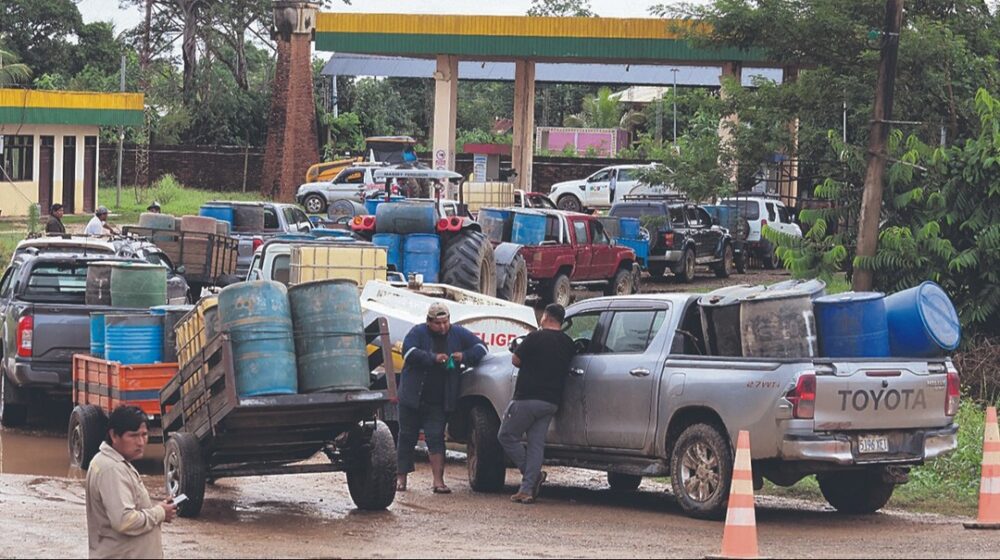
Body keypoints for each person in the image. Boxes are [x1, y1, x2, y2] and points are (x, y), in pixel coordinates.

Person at [397, 302, 488, 493]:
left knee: (436, 438)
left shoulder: (458, 333)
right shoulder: (417, 332)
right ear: (429, 322)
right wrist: (433, 358)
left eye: (445, 322)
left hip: (438, 401)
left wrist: (464, 356)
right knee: (406, 437)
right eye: (438, 323)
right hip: (412, 397)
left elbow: (482, 348)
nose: (443, 327)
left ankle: (438, 481)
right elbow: (409, 352)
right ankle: (401, 480)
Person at [498, 303, 576, 504]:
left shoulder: (535, 337)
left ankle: (532, 477)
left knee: (506, 435)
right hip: (551, 402)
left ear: (546, 317)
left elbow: (516, 360)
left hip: (526, 398)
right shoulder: (568, 343)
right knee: (535, 444)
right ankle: (526, 490)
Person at [86, 405, 176, 559]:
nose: (141, 442)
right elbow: (124, 521)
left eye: (144, 435)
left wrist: (159, 509)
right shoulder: (112, 469)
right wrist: (160, 512)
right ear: (114, 436)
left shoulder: (111, 462)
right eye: (133, 436)